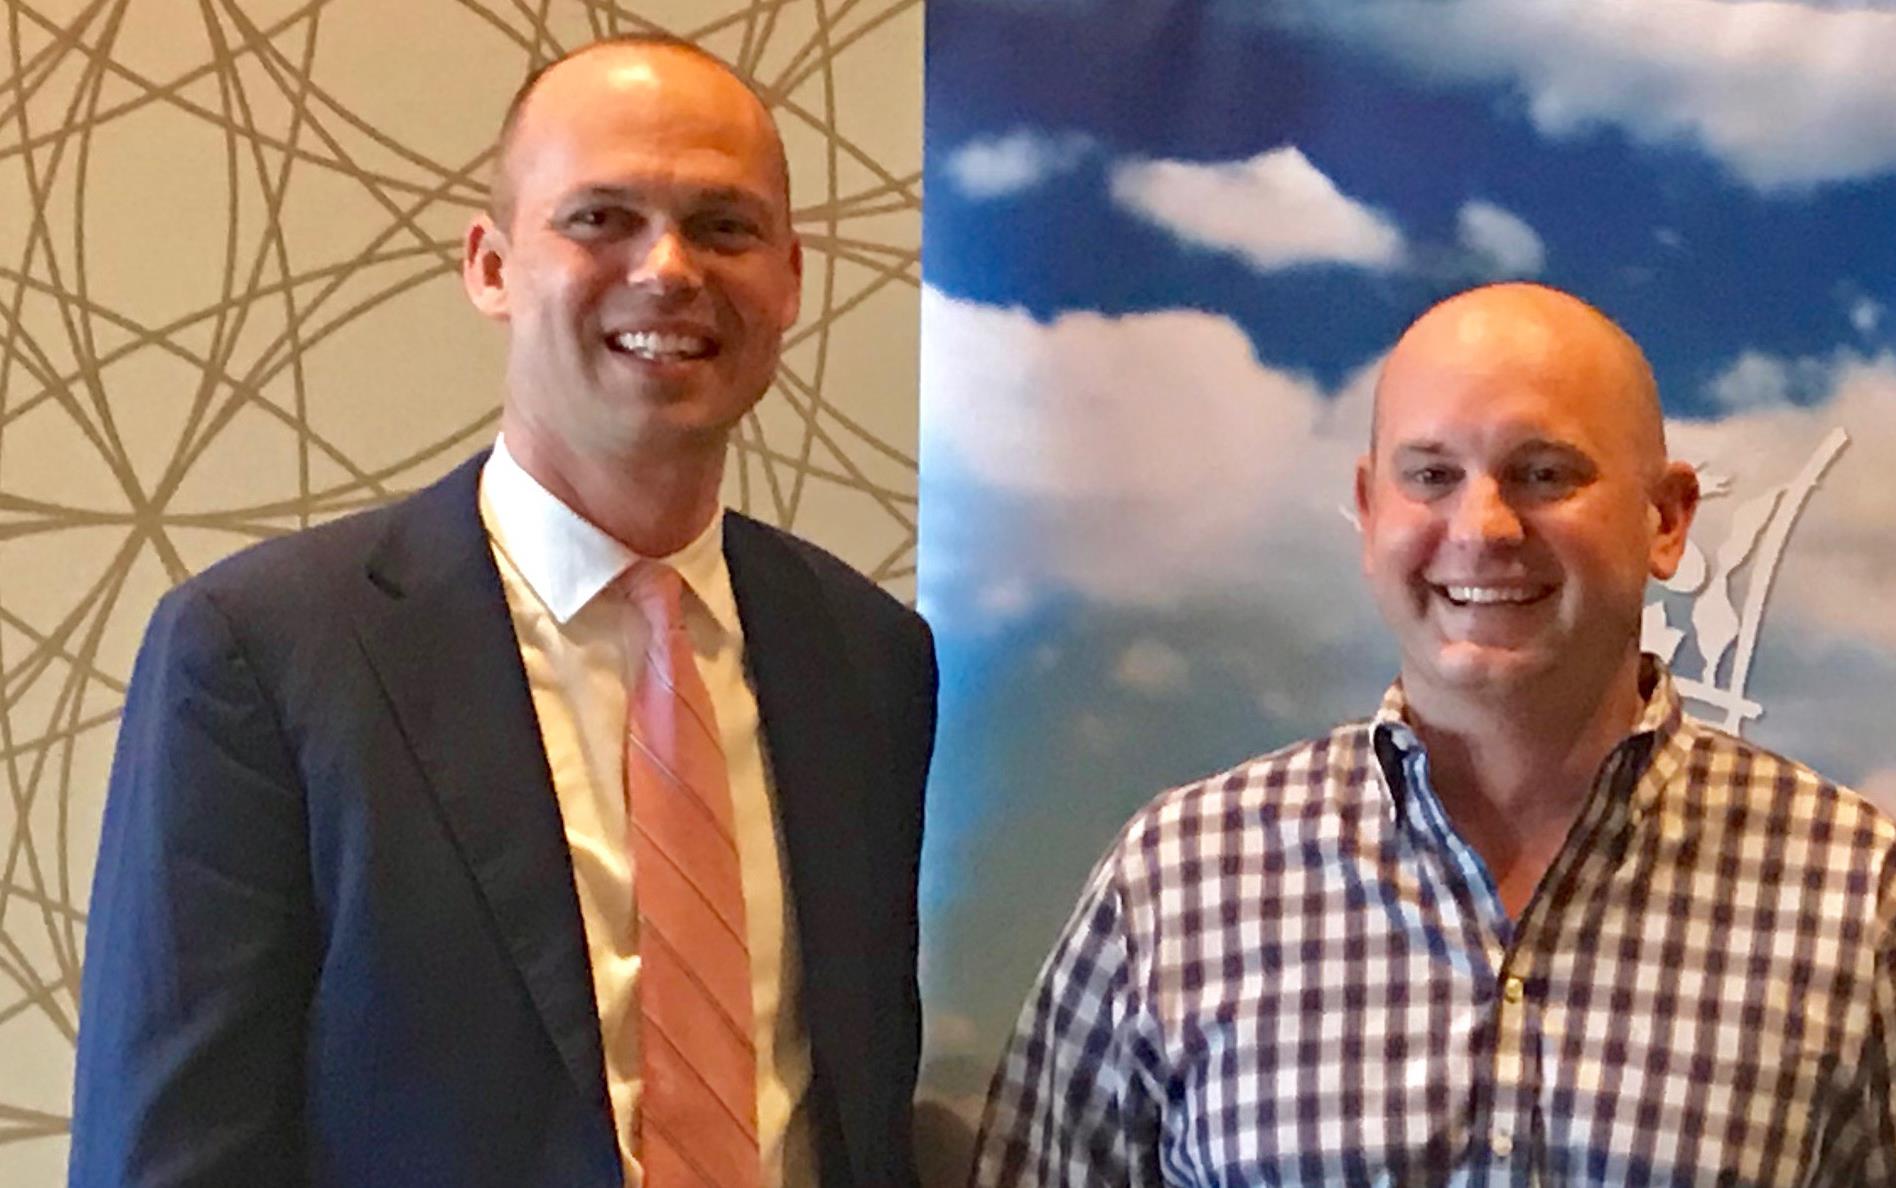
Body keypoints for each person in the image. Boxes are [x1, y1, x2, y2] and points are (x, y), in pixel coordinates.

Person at [70, 35, 936, 1188]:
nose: (669, 268)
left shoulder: (869, 660)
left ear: (789, 278)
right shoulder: (262, 655)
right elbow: (175, 1156)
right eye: (600, 220)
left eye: (723, 226)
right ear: (490, 266)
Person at [973, 283, 1896, 1185]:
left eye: (1544, 473)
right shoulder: (1178, 882)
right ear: (1371, 509)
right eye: (1432, 476)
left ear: (1667, 518)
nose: (1484, 526)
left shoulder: (1859, 894)